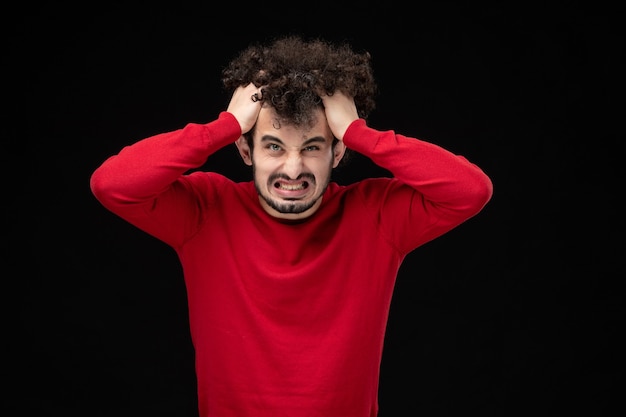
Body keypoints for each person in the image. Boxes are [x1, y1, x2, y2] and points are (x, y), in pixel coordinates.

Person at [90, 35, 493, 417]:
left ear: (337, 154)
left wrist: (358, 132)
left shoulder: (377, 216)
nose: (293, 168)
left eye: (313, 147)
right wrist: (226, 124)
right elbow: (113, 184)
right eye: (274, 146)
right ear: (246, 149)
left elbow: (470, 190)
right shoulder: (205, 211)